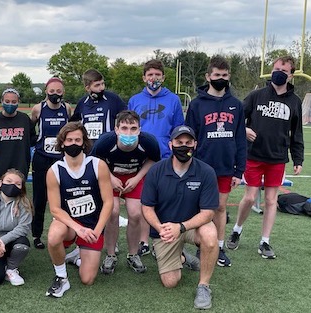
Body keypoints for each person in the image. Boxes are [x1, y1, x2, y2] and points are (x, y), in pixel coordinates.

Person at [226, 55, 304, 259]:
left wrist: (298, 159)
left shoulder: (295, 102)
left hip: (277, 158)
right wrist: (244, 129)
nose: (279, 73)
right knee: (250, 197)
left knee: (271, 200)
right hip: (254, 155)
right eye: (276, 68)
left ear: (291, 75)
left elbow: (296, 133)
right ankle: (237, 229)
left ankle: (264, 241)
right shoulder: (257, 95)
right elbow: (235, 119)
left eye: (284, 70)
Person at [141, 125, 219, 310]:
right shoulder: (156, 170)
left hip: (191, 227)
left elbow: (208, 213)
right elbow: (147, 207)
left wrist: (182, 227)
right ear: (170, 145)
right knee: (170, 282)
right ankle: (182, 257)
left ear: (195, 144)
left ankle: (204, 286)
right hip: (166, 230)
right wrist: (161, 228)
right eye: (179, 142)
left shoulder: (206, 171)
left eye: (188, 142)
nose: (184, 146)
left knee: (210, 235)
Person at [185, 56, 246, 267]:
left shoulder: (236, 105)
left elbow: (240, 138)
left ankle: (218, 247)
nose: (221, 78)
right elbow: (189, 137)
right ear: (208, 76)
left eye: (225, 75)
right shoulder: (196, 104)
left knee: (219, 207)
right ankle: (200, 243)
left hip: (225, 166)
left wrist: (239, 170)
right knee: (198, 208)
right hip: (201, 165)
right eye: (217, 75)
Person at [45, 122, 113, 298]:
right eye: (69, 140)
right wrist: (77, 229)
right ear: (62, 143)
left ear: (84, 142)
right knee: (53, 236)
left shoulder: (98, 165)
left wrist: (97, 231)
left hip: (92, 224)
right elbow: (55, 209)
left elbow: (108, 202)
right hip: (70, 224)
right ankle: (62, 278)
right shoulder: (55, 171)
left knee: (87, 279)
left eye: (77, 139)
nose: (73, 143)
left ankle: (77, 255)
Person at [91, 110, 160, 275]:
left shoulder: (148, 141)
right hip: (110, 176)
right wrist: (110, 177)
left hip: (134, 177)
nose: (128, 132)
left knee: (136, 214)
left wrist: (137, 178)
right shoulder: (105, 141)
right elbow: (94, 161)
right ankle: (110, 255)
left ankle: (133, 254)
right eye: (124, 128)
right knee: (112, 212)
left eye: (133, 128)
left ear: (139, 129)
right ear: (116, 129)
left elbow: (154, 159)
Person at [30, 77, 72, 249]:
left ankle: (65, 233)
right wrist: (35, 142)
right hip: (42, 158)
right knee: (39, 199)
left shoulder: (67, 108)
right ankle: (36, 235)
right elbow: (30, 126)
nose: (55, 94)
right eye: (52, 91)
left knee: (63, 198)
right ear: (46, 91)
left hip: (61, 159)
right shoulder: (38, 108)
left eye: (59, 91)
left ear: (63, 92)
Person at [128, 59, 184, 159]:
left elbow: (178, 130)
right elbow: (129, 130)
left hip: (165, 156)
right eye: (150, 74)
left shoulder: (174, 100)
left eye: (157, 74)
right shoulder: (134, 101)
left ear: (163, 78)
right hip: (140, 155)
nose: (154, 78)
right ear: (144, 78)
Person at [0, 88, 37, 178]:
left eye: (14, 101)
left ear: (18, 102)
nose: (10, 104)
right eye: (7, 101)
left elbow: (32, 140)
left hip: (20, 167)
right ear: (2, 101)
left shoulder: (24, 119)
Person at [70, 69, 126, 141]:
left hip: (107, 146)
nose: (101, 88)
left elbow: (126, 117)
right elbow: (73, 124)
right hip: (88, 147)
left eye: (102, 84)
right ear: (87, 88)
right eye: (97, 85)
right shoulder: (82, 103)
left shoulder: (112, 99)